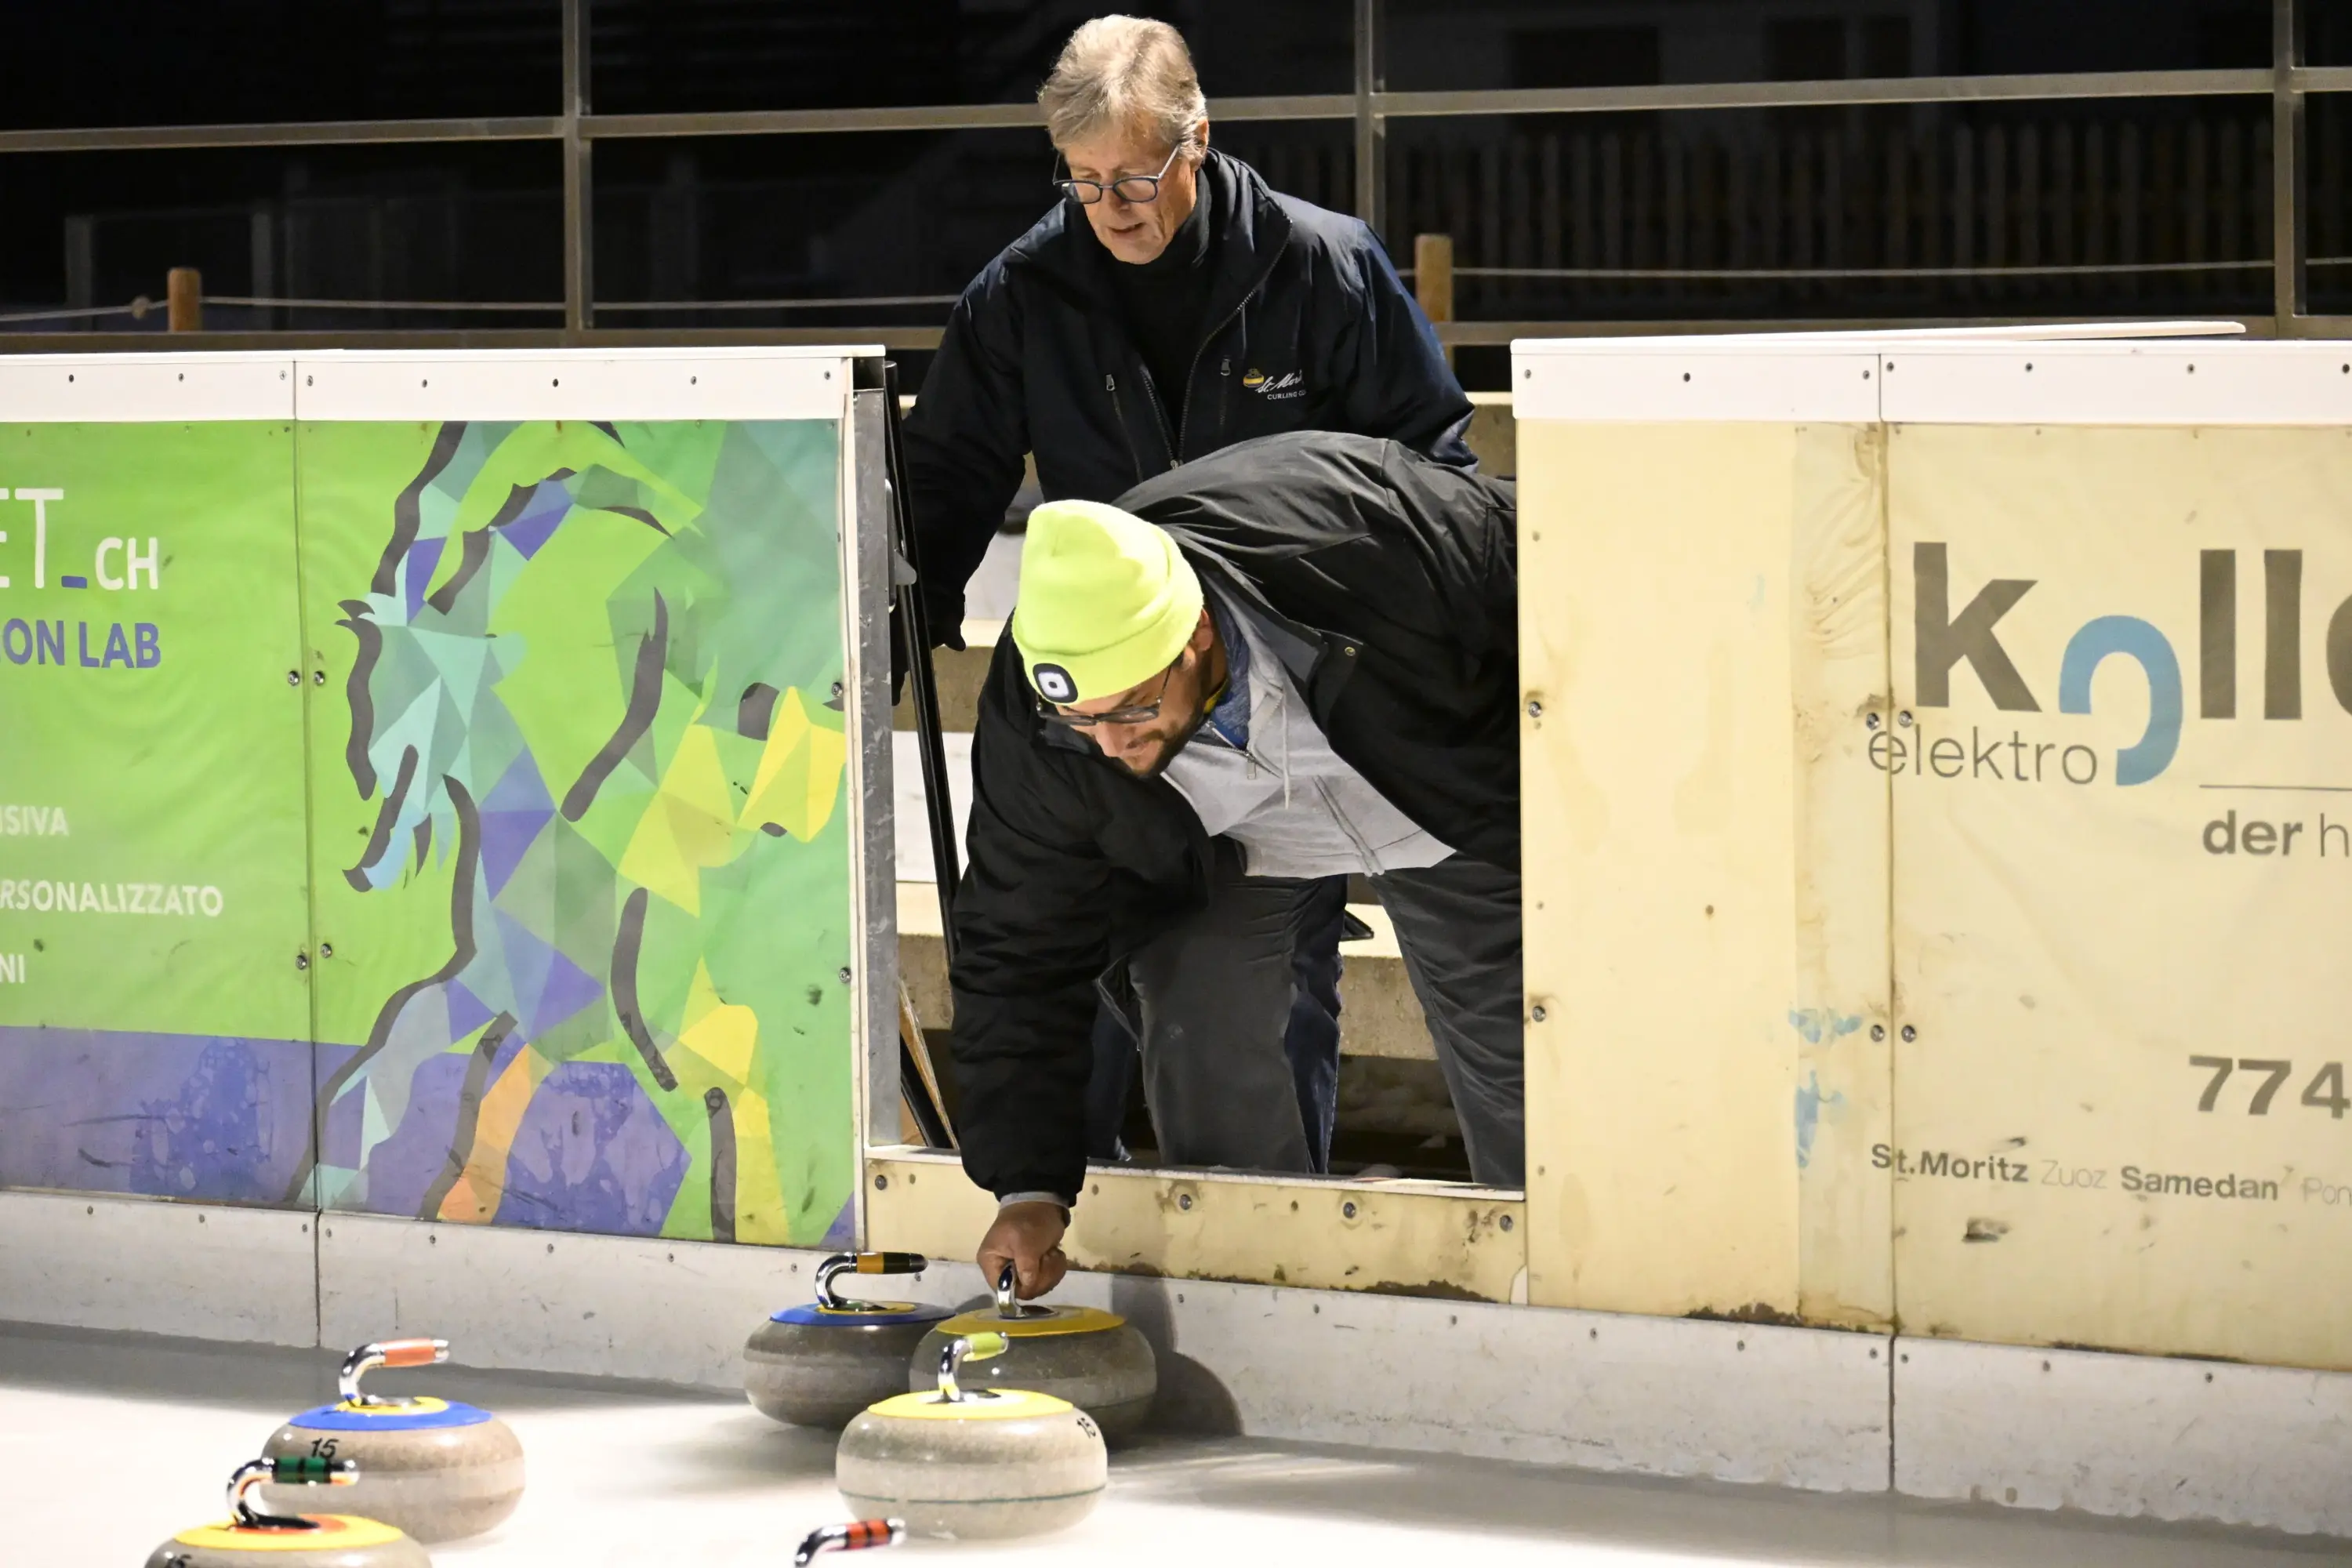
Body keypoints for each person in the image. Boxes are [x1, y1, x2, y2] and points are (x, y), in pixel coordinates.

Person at [902, 15, 1477, 1172]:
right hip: (1137, 710)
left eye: (1137, 177)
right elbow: (946, 487)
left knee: (1342, 985)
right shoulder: (1024, 293)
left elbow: (1436, 472)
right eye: (1084, 182)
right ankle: (1092, 1218)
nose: (1112, 208)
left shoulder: (1325, 265)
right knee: (1132, 967)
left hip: (1326, 695)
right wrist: (888, 634)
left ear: (1199, 138)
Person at [949, 430, 1523, 1299]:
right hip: (1234, 841)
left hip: (1439, 784)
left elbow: (1568, 608)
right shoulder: (1047, 729)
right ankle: (1257, 1293)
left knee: (1521, 1046)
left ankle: (1554, 1284)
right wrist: (1027, 1184)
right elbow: (1016, 944)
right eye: (1086, 719)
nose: (1111, 743)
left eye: (1136, 705)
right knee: (1199, 1014)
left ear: (1200, 633)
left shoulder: (1366, 542)